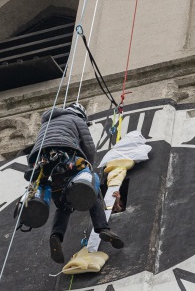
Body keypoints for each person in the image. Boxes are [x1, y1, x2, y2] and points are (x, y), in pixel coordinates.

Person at [27, 102, 125, 263]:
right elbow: (88, 145)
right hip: (66, 160)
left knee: (64, 206)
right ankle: (103, 228)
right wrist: (90, 166)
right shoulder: (76, 119)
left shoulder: (46, 122)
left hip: (42, 165)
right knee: (90, 191)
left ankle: (56, 235)